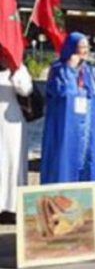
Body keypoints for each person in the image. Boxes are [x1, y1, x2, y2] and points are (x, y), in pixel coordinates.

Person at [41, 33, 95, 184]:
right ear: (71, 48)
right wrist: (70, 68)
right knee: (63, 162)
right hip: (65, 126)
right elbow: (63, 92)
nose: (85, 50)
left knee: (87, 161)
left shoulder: (90, 71)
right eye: (81, 47)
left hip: (88, 126)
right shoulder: (59, 70)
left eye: (86, 46)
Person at [0, 59, 33, 221]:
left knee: (14, 164)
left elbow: (26, 90)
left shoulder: (18, 68)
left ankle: (12, 206)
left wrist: (15, 70)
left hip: (12, 125)